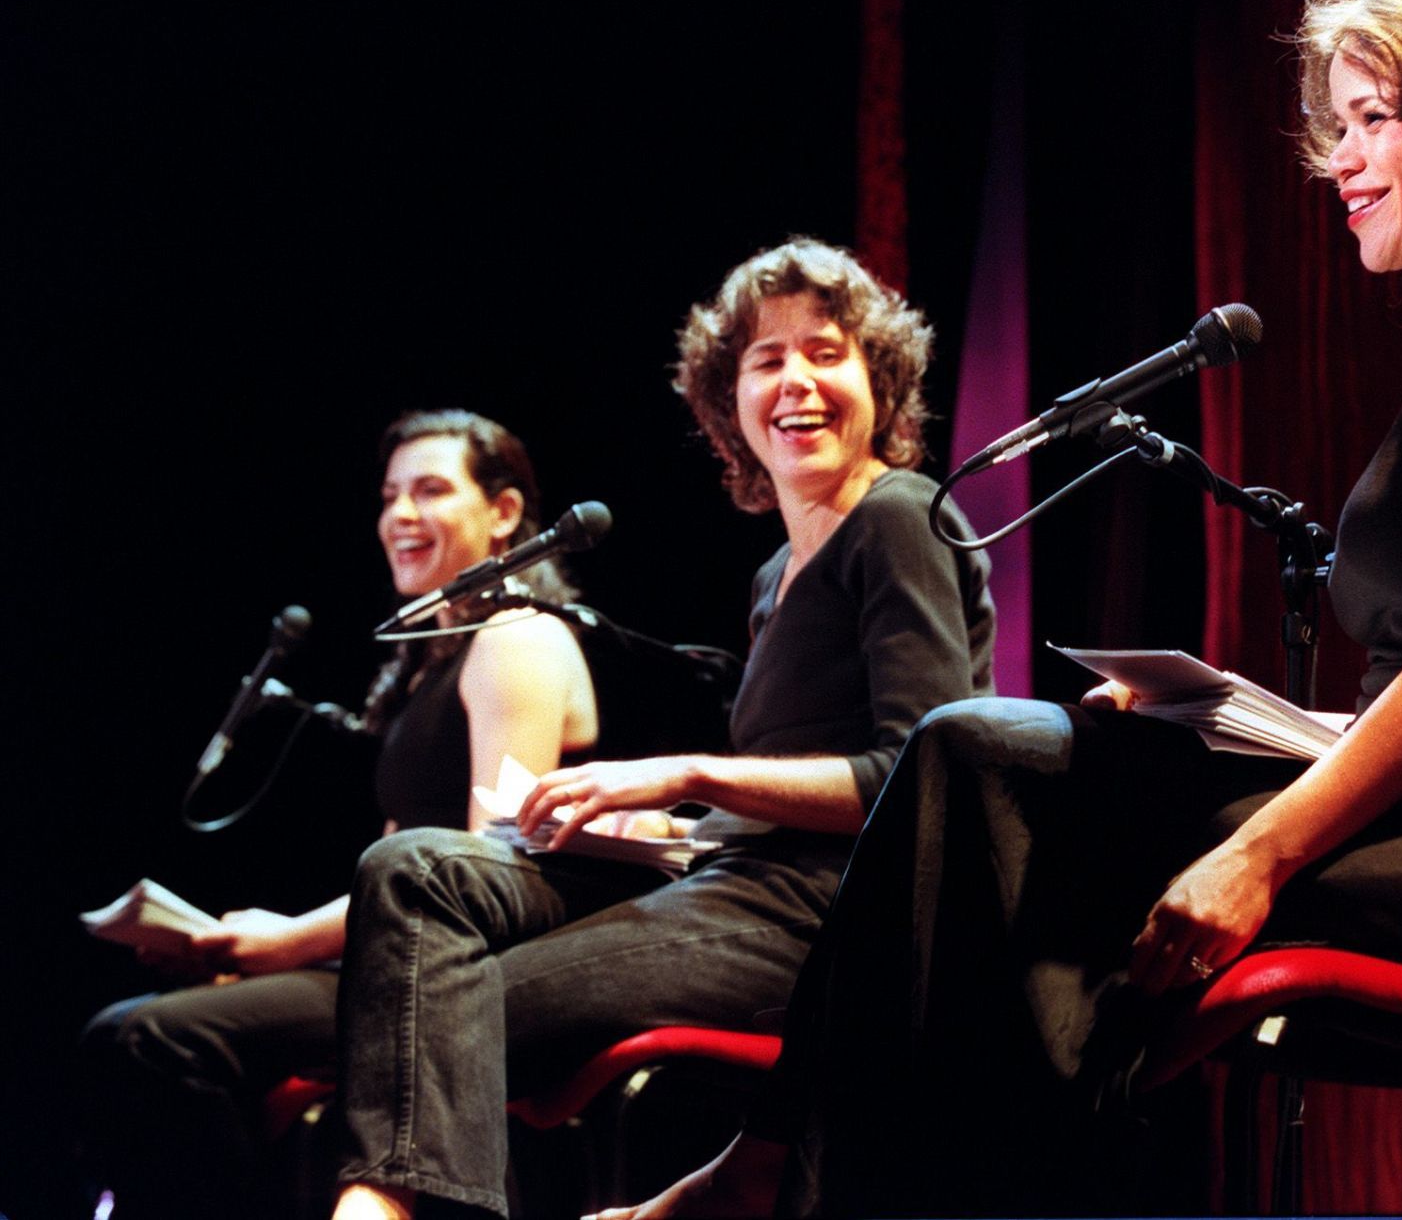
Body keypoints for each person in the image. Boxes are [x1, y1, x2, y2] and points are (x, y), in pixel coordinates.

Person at [608, 0, 1402, 1219]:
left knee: (1005, 809)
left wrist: (1253, 853)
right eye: (1338, 125)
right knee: (981, 758)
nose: (1339, 160)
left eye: (1373, 119)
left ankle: (800, 1176)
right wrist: (1243, 719)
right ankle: (807, 1172)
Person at [328, 238, 996, 1220]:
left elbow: (918, 780)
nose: (796, 382)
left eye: (826, 352)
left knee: (433, 1010)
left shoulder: (898, 514)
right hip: (728, 882)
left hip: (817, 924)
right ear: (730, 403)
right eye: (766, 362)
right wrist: (659, 827)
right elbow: (785, 785)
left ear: (881, 381)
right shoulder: (776, 576)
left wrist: (688, 775)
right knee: (415, 867)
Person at [78, 409, 601, 1220]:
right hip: (395, 961)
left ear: (503, 513)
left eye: (430, 490)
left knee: (147, 1038)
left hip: (458, 981)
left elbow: (480, 869)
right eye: (390, 495)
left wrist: (282, 944)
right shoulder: (431, 660)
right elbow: (399, 862)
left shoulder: (515, 639)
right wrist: (269, 948)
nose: (400, 515)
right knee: (139, 1029)